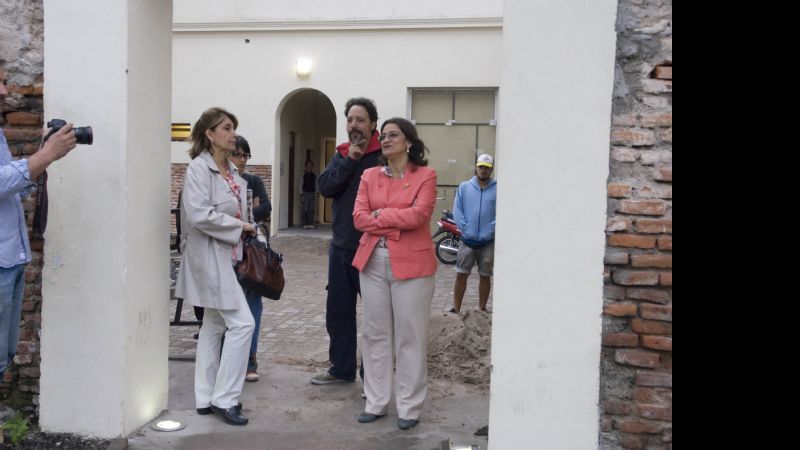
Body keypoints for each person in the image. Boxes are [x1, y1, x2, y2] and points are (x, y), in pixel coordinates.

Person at [352, 118, 438, 431]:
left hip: (413, 266)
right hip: (372, 262)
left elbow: (419, 216)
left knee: (409, 336)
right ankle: (375, 402)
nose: (386, 140)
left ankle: (409, 407)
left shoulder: (426, 176)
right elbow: (359, 218)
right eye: (384, 136)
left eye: (393, 135)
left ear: (409, 142)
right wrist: (392, 219)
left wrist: (381, 215)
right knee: (375, 334)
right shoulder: (369, 175)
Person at [174, 107, 256, 426]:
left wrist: (246, 226)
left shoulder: (231, 172)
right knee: (243, 324)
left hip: (229, 258)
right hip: (209, 259)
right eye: (227, 128)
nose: (233, 134)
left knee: (213, 325)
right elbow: (198, 214)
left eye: (234, 128)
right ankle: (226, 398)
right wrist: (240, 226)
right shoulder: (199, 169)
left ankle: (205, 397)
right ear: (209, 134)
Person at [1, 58, 77, 381]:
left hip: (10, 259)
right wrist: (45, 155)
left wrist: (42, 157)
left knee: (4, 356)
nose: (5, 91)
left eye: (5, 81)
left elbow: (10, 187)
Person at [312, 97, 382, 385]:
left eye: (360, 120)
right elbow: (325, 187)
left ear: (373, 124)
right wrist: (350, 160)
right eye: (350, 120)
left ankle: (372, 376)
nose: (354, 125)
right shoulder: (342, 153)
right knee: (338, 311)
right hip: (341, 246)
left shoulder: (383, 156)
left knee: (376, 316)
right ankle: (341, 369)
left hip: (374, 248)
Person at [229, 135, 272, 382]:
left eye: (246, 155)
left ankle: (249, 360)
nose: (242, 160)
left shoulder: (253, 181)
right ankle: (228, 359)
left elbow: (266, 208)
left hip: (251, 251)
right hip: (226, 250)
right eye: (237, 154)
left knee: (253, 300)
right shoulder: (221, 180)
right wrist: (245, 216)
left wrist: (244, 214)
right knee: (228, 308)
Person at [450, 154, 497, 313]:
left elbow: (502, 212)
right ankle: (456, 308)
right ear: (476, 167)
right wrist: (465, 228)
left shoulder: (498, 188)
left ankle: (482, 308)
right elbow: (457, 210)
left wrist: (491, 228)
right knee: (461, 274)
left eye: (487, 168)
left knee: (485, 275)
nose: (483, 170)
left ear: (491, 169)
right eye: (481, 167)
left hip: (487, 242)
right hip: (467, 240)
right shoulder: (464, 187)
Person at [301, 160, 317, 229]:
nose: (309, 166)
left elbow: (316, 184)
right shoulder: (303, 174)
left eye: (311, 165)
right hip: (305, 193)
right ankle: (304, 223)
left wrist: (316, 193)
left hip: (312, 193)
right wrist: (301, 194)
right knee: (305, 209)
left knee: (311, 209)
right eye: (308, 165)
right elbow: (300, 184)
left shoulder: (314, 175)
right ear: (305, 166)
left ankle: (311, 223)